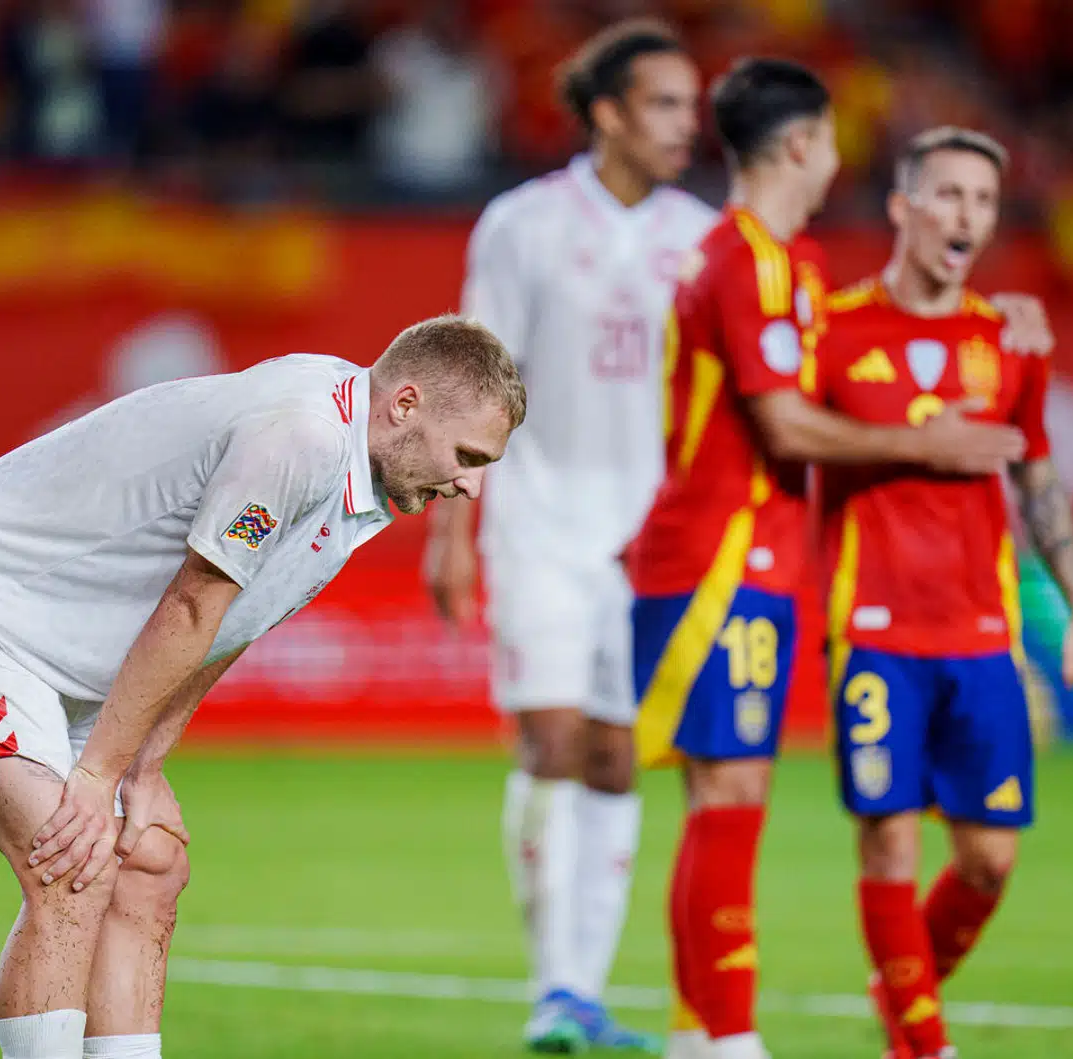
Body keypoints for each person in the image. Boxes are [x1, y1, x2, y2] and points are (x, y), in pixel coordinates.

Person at [0, 316, 524, 1059]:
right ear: (404, 404)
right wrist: (100, 773)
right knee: (74, 865)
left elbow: (230, 618)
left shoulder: (361, 462)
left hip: (53, 647)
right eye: (468, 457)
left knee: (150, 864)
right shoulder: (301, 439)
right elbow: (194, 603)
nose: (471, 484)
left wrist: (145, 764)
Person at [624, 60, 1052, 1059]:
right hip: (719, 558)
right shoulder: (749, 261)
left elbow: (870, 360)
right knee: (728, 797)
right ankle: (728, 1036)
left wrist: (1004, 323)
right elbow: (787, 425)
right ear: (803, 143)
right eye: (832, 140)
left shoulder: (790, 264)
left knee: (725, 800)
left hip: (757, 562)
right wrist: (930, 445)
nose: (838, 160)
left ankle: (698, 1032)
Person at [422, 19, 715, 1053]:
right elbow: (474, 383)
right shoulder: (523, 224)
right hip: (540, 521)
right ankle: (553, 989)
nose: (687, 124)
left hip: (653, 541)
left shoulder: (702, 237)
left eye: (692, 106)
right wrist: (452, 529)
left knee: (616, 755)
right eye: (666, 104)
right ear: (608, 113)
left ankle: (580, 993)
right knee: (549, 740)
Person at [818, 127, 1073, 1059]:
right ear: (903, 206)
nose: (968, 216)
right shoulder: (832, 331)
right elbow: (788, 438)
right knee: (889, 844)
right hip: (872, 627)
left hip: (982, 633)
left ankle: (897, 986)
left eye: (984, 201)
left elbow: (1038, 477)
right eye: (948, 194)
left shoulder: (1009, 341)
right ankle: (922, 1041)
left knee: (989, 858)